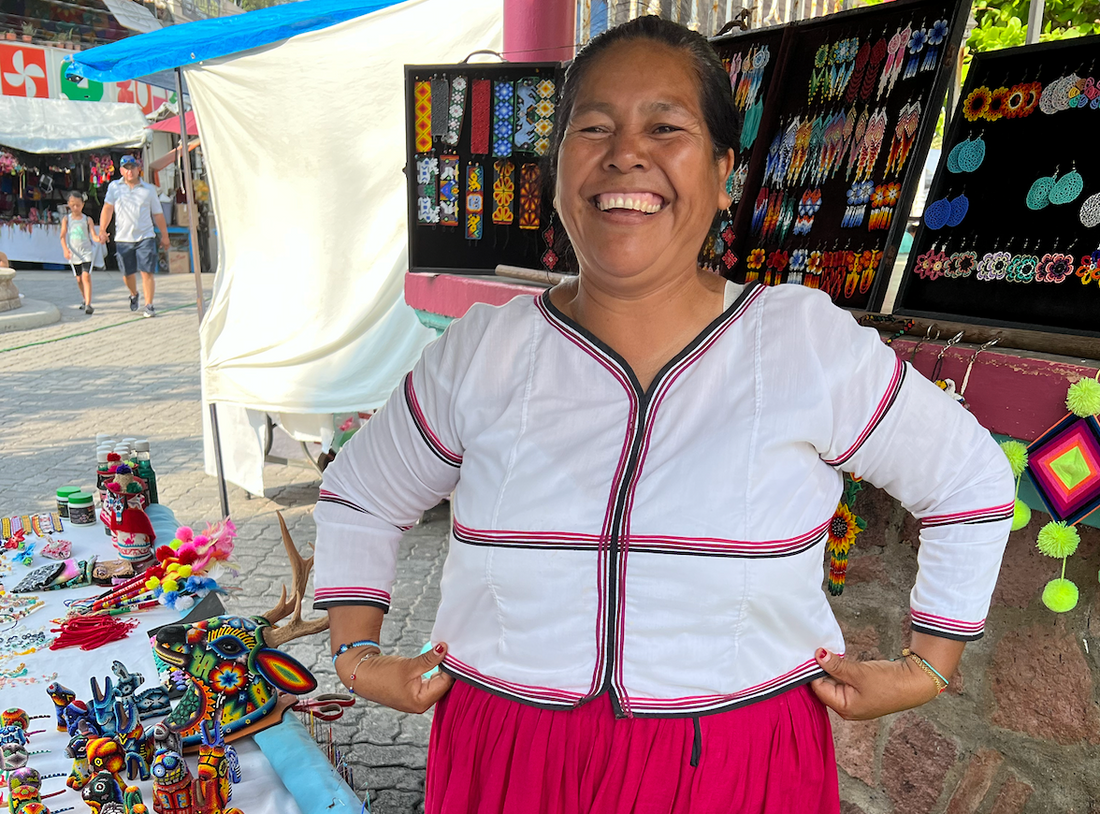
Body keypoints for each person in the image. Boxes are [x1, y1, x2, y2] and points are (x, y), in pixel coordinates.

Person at [313, 17, 1013, 814]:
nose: (626, 153)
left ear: (722, 174)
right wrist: (356, 652)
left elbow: (969, 481)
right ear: (558, 168)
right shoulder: (486, 351)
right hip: (510, 755)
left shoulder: (801, 342)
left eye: (665, 127)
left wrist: (930, 663)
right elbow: (362, 492)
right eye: (595, 129)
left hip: (735, 761)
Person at [98, 155, 170, 318]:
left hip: (145, 236)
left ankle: (149, 305)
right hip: (123, 238)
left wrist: (165, 236)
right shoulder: (114, 187)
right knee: (127, 274)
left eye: (133, 167)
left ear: (138, 169)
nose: (130, 171)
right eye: (126, 168)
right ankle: (133, 294)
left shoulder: (149, 189)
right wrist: (102, 229)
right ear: (121, 171)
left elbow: (157, 214)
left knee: (147, 272)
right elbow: (108, 209)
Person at [60, 190, 99, 315]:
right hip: (74, 254)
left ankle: (88, 303)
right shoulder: (66, 219)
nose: (75, 207)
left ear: (83, 204)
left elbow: (93, 235)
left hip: (86, 252)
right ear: (68, 205)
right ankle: (84, 298)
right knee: (78, 279)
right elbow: (62, 236)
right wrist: (65, 249)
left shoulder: (87, 220)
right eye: (72, 205)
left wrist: (100, 238)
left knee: (86, 276)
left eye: (78, 205)